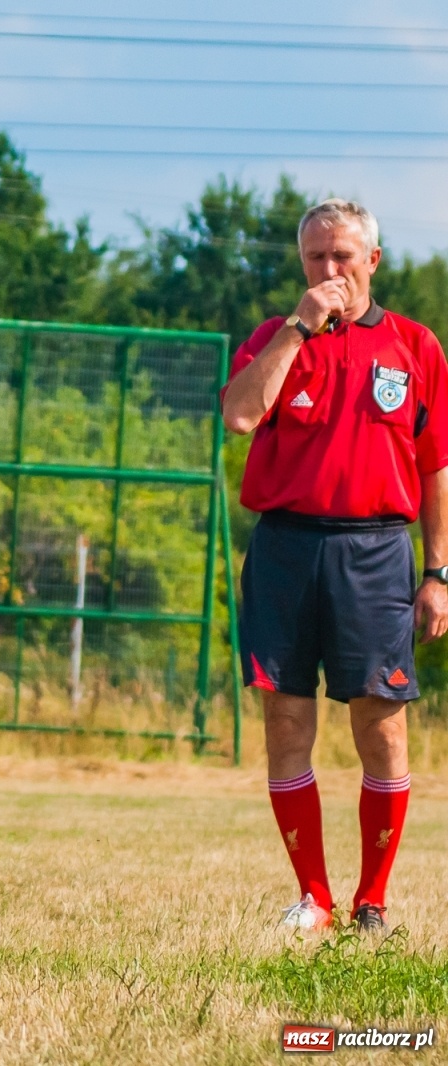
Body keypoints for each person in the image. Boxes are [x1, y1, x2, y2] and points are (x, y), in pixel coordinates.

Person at [221, 198, 448, 935]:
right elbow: (240, 416)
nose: (330, 271)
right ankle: (314, 898)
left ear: (372, 262)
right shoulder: (272, 338)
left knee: (380, 727)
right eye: (316, 258)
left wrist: (438, 573)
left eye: (343, 257)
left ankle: (372, 899)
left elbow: (437, 467)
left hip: (378, 551)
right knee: (287, 722)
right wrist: (297, 328)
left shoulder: (416, 348)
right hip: (286, 547)